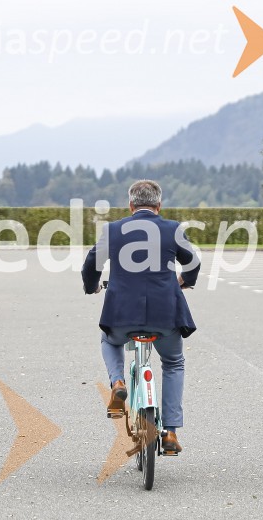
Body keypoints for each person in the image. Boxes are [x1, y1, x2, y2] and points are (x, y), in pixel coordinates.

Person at [82, 179, 200, 454]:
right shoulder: (173, 229)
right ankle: (170, 432)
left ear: (131, 205)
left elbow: (92, 263)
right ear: (159, 205)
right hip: (166, 315)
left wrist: (92, 287)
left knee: (109, 341)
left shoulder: (113, 230)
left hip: (122, 313)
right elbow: (193, 262)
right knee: (173, 363)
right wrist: (182, 281)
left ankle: (118, 382)